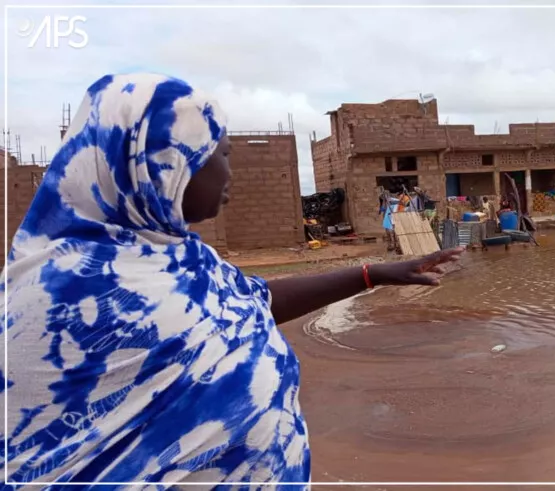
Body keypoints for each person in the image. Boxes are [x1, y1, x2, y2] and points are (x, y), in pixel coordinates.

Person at [0, 73, 463, 487]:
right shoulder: (56, 293)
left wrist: (373, 273)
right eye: (219, 154)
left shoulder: (181, 259)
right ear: (165, 162)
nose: (230, 172)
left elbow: (250, 301)